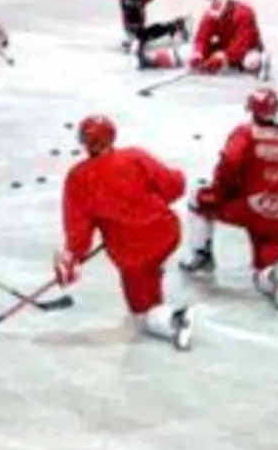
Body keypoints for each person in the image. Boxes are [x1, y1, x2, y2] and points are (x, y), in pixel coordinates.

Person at [55, 115, 195, 350]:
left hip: (131, 252)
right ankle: (159, 302)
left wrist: (73, 256)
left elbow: (79, 231)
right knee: (151, 267)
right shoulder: (135, 156)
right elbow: (174, 187)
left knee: (140, 313)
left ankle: (174, 319)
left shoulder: (78, 178)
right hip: (166, 232)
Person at [180, 88, 278, 309]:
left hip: (247, 206)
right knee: (265, 260)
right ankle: (270, 275)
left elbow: (229, 166)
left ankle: (202, 255)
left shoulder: (245, 134)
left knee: (197, 199)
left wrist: (218, 194)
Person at [142, 0, 269, 78]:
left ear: (229, 12)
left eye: (221, 18)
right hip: (224, 45)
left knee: (250, 62)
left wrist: (222, 57)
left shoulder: (245, 15)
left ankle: (261, 62)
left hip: (247, 48)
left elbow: (241, 44)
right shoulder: (209, 15)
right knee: (189, 53)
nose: (218, 20)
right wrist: (198, 54)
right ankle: (155, 59)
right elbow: (201, 38)